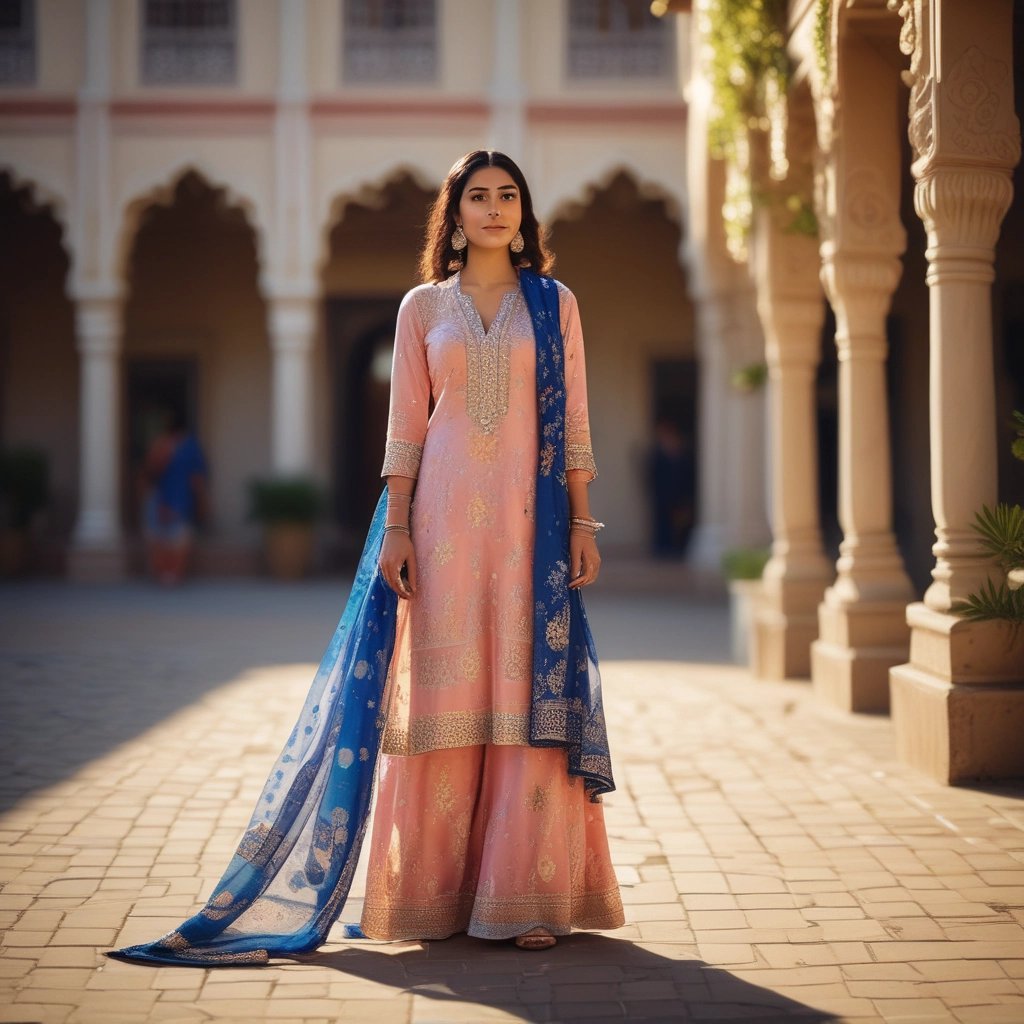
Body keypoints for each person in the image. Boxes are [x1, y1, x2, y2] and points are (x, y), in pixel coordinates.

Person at [108, 150, 622, 967]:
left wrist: (586, 526)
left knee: (526, 702)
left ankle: (523, 897)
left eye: (509, 196)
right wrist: (398, 529)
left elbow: (578, 427)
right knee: (448, 702)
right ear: (452, 215)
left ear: (526, 213)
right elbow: (406, 430)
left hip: (531, 533)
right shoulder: (424, 308)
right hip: (446, 527)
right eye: (478, 196)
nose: (495, 209)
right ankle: (435, 894)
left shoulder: (555, 306)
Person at [140, 407, 208, 585]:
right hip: (176, 499)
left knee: (164, 539)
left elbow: (148, 473)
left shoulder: (166, 444)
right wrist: (202, 504)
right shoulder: (189, 447)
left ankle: (166, 575)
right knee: (174, 541)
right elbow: (197, 480)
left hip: (164, 498)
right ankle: (170, 576)